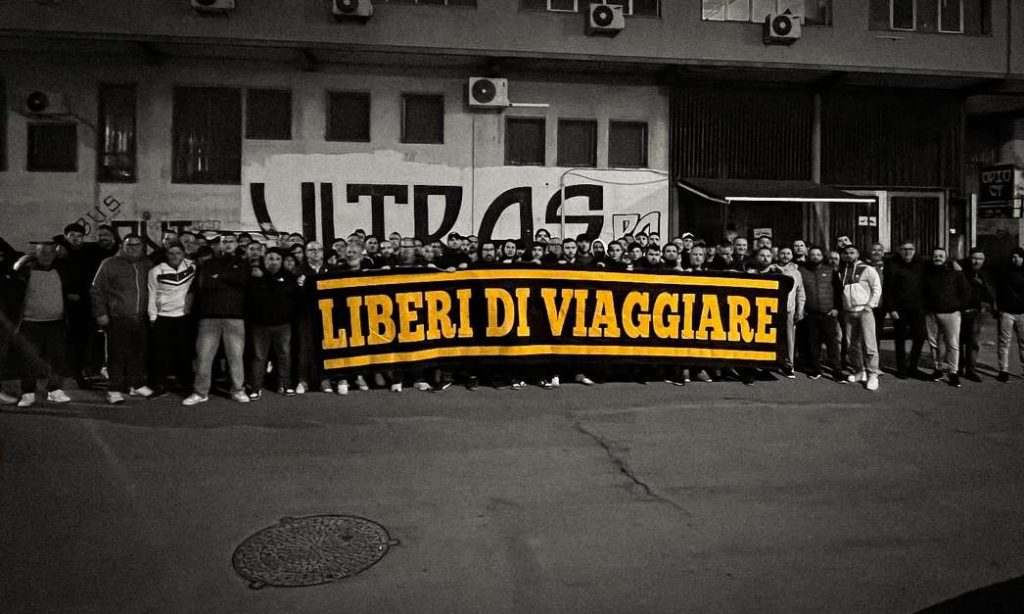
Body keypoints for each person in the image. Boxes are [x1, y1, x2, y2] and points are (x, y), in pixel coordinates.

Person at [183, 235, 251, 405]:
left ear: (236, 244)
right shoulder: (207, 264)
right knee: (204, 356)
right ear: (218, 244)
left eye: (231, 241)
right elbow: (204, 285)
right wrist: (227, 279)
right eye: (224, 241)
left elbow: (242, 281)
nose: (227, 244)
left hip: (235, 316)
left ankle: (238, 390)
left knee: (235, 357)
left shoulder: (243, 263)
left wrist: (219, 277)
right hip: (209, 316)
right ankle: (200, 392)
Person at [10, 241, 73, 407]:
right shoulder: (25, 270)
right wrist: (25, 259)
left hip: (56, 322)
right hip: (30, 322)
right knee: (29, 359)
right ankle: (28, 393)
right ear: (35, 254)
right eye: (42, 253)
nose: (46, 256)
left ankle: (55, 390)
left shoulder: (62, 269)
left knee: (57, 358)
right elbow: (13, 278)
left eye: (50, 252)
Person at [91, 233, 152, 404]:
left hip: (141, 317)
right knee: (117, 354)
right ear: (122, 246)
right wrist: (100, 313)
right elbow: (96, 290)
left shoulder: (147, 264)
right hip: (118, 317)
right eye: (129, 245)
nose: (134, 248)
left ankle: (136, 384)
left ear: (142, 247)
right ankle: (114, 389)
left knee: (138, 352)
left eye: (137, 245)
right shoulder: (109, 264)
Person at [246, 248, 300, 399]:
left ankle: (285, 385)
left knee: (284, 355)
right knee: (259, 357)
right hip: (259, 325)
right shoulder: (255, 277)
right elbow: (249, 301)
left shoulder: (289, 277)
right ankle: (256, 387)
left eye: (277, 259)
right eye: (270, 258)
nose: (274, 262)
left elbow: (295, 300)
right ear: (264, 260)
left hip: (283, 325)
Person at [147, 242, 196, 396]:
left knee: (184, 353)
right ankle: (159, 384)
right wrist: (153, 316)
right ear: (166, 255)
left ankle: (185, 384)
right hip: (163, 317)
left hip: (183, 317)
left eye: (178, 253)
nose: (175, 256)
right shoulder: (156, 271)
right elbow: (152, 293)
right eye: (171, 253)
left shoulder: (192, 266)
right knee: (161, 353)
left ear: (183, 254)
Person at [922, 247, 970, 387]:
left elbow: (965, 290)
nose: (937, 258)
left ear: (946, 258)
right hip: (931, 313)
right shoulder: (927, 273)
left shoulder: (955, 273)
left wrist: (958, 306)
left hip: (951, 313)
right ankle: (938, 369)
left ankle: (953, 372)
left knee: (952, 344)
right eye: (935, 255)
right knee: (933, 343)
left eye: (940, 255)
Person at [838, 245, 883, 391]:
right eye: (846, 253)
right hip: (849, 312)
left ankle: (873, 374)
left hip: (864, 311)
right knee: (851, 344)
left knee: (869, 344)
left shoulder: (867, 269)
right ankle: (859, 370)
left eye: (852, 252)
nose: (849, 255)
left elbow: (876, 288)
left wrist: (870, 305)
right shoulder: (842, 271)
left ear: (857, 254)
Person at [885, 241, 927, 379]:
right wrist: (891, 308)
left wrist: (953, 263)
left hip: (917, 308)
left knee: (920, 336)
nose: (908, 252)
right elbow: (887, 289)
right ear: (899, 250)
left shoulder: (921, 263)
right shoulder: (892, 264)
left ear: (915, 250)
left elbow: (939, 262)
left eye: (910, 249)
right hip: (899, 309)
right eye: (904, 249)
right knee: (900, 339)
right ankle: (901, 369)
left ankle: (913, 366)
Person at [799, 246, 842, 380]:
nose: (815, 257)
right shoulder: (802, 271)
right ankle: (816, 369)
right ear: (808, 256)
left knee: (832, 343)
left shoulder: (831, 271)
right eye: (813, 254)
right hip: (810, 314)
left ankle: (837, 371)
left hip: (828, 313)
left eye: (818, 254)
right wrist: (802, 309)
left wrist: (836, 308)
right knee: (813, 343)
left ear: (822, 257)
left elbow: (838, 291)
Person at [958, 248, 993, 383]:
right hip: (960, 310)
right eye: (974, 258)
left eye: (980, 259)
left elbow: (990, 294)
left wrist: (982, 285)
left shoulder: (986, 274)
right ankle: (958, 368)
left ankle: (970, 369)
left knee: (973, 341)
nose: (977, 261)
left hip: (976, 312)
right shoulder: (961, 271)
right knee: (959, 341)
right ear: (969, 258)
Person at [994, 247, 1024, 382]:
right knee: (1004, 342)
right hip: (1007, 311)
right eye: (1012, 257)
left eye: (1016, 257)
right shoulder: (1005, 272)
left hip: (1022, 312)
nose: (1014, 259)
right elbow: (999, 291)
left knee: (1022, 342)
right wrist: (999, 307)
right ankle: (1003, 370)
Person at [775, 247, 806, 378]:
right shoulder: (772, 269)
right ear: (778, 255)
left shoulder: (796, 273)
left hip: (789, 309)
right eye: (782, 253)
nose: (785, 255)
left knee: (789, 339)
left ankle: (789, 365)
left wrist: (800, 309)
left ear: (792, 256)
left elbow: (800, 292)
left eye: (788, 253)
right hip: (773, 309)